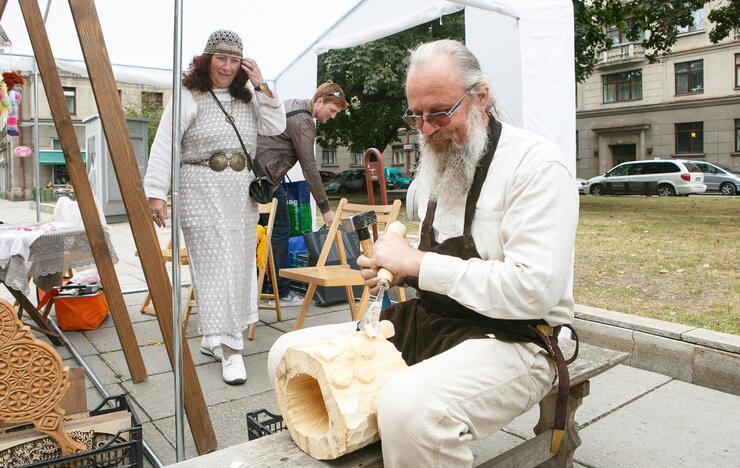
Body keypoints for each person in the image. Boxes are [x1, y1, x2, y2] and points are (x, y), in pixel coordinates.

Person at [267, 39, 579, 467]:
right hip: (437, 319)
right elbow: (437, 257)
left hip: (519, 336)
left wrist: (417, 264)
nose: (427, 128)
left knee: (410, 409)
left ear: (480, 97)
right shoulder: (438, 164)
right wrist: (397, 268)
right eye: (416, 115)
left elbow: (535, 289)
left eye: (439, 112)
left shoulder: (537, 166)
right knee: (287, 353)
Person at [144, 30, 286, 385]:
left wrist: (262, 83)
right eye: (220, 58)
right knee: (213, 267)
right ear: (207, 59)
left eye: (234, 60)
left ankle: (216, 338)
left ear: (243, 64)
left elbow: (274, 124)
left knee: (238, 266)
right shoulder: (190, 94)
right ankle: (231, 350)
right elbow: (166, 142)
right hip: (199, 188)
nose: (227, 66)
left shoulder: (249, 95)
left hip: (239, 193)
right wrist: (157, 192)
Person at [255, 82, 348, 306]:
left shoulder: (291, 105)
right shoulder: (305, 121)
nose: (332, 116)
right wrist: (325, 208)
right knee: (279, 232)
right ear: (319, 101)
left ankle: (261, 288)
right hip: (266, 181)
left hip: (254, 176)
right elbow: (309, 167)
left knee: (259, 235)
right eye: (332, 110)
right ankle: (281, 292)